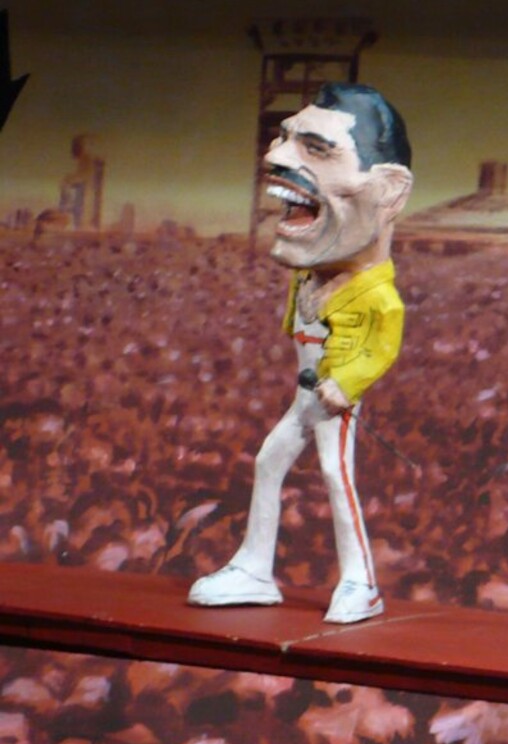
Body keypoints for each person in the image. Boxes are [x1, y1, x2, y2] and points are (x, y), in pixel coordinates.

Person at [189, 83, 414, 624]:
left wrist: (347, 384)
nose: (276, 156)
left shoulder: (378, 297)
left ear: (388, 190)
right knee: (269, 462)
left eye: (317, 148)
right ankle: (254, 568)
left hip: (332, 400)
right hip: (306, 397)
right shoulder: (310, 276)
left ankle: (361, 581)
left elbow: (380, 350)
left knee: (337, 476)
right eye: (284, 138)